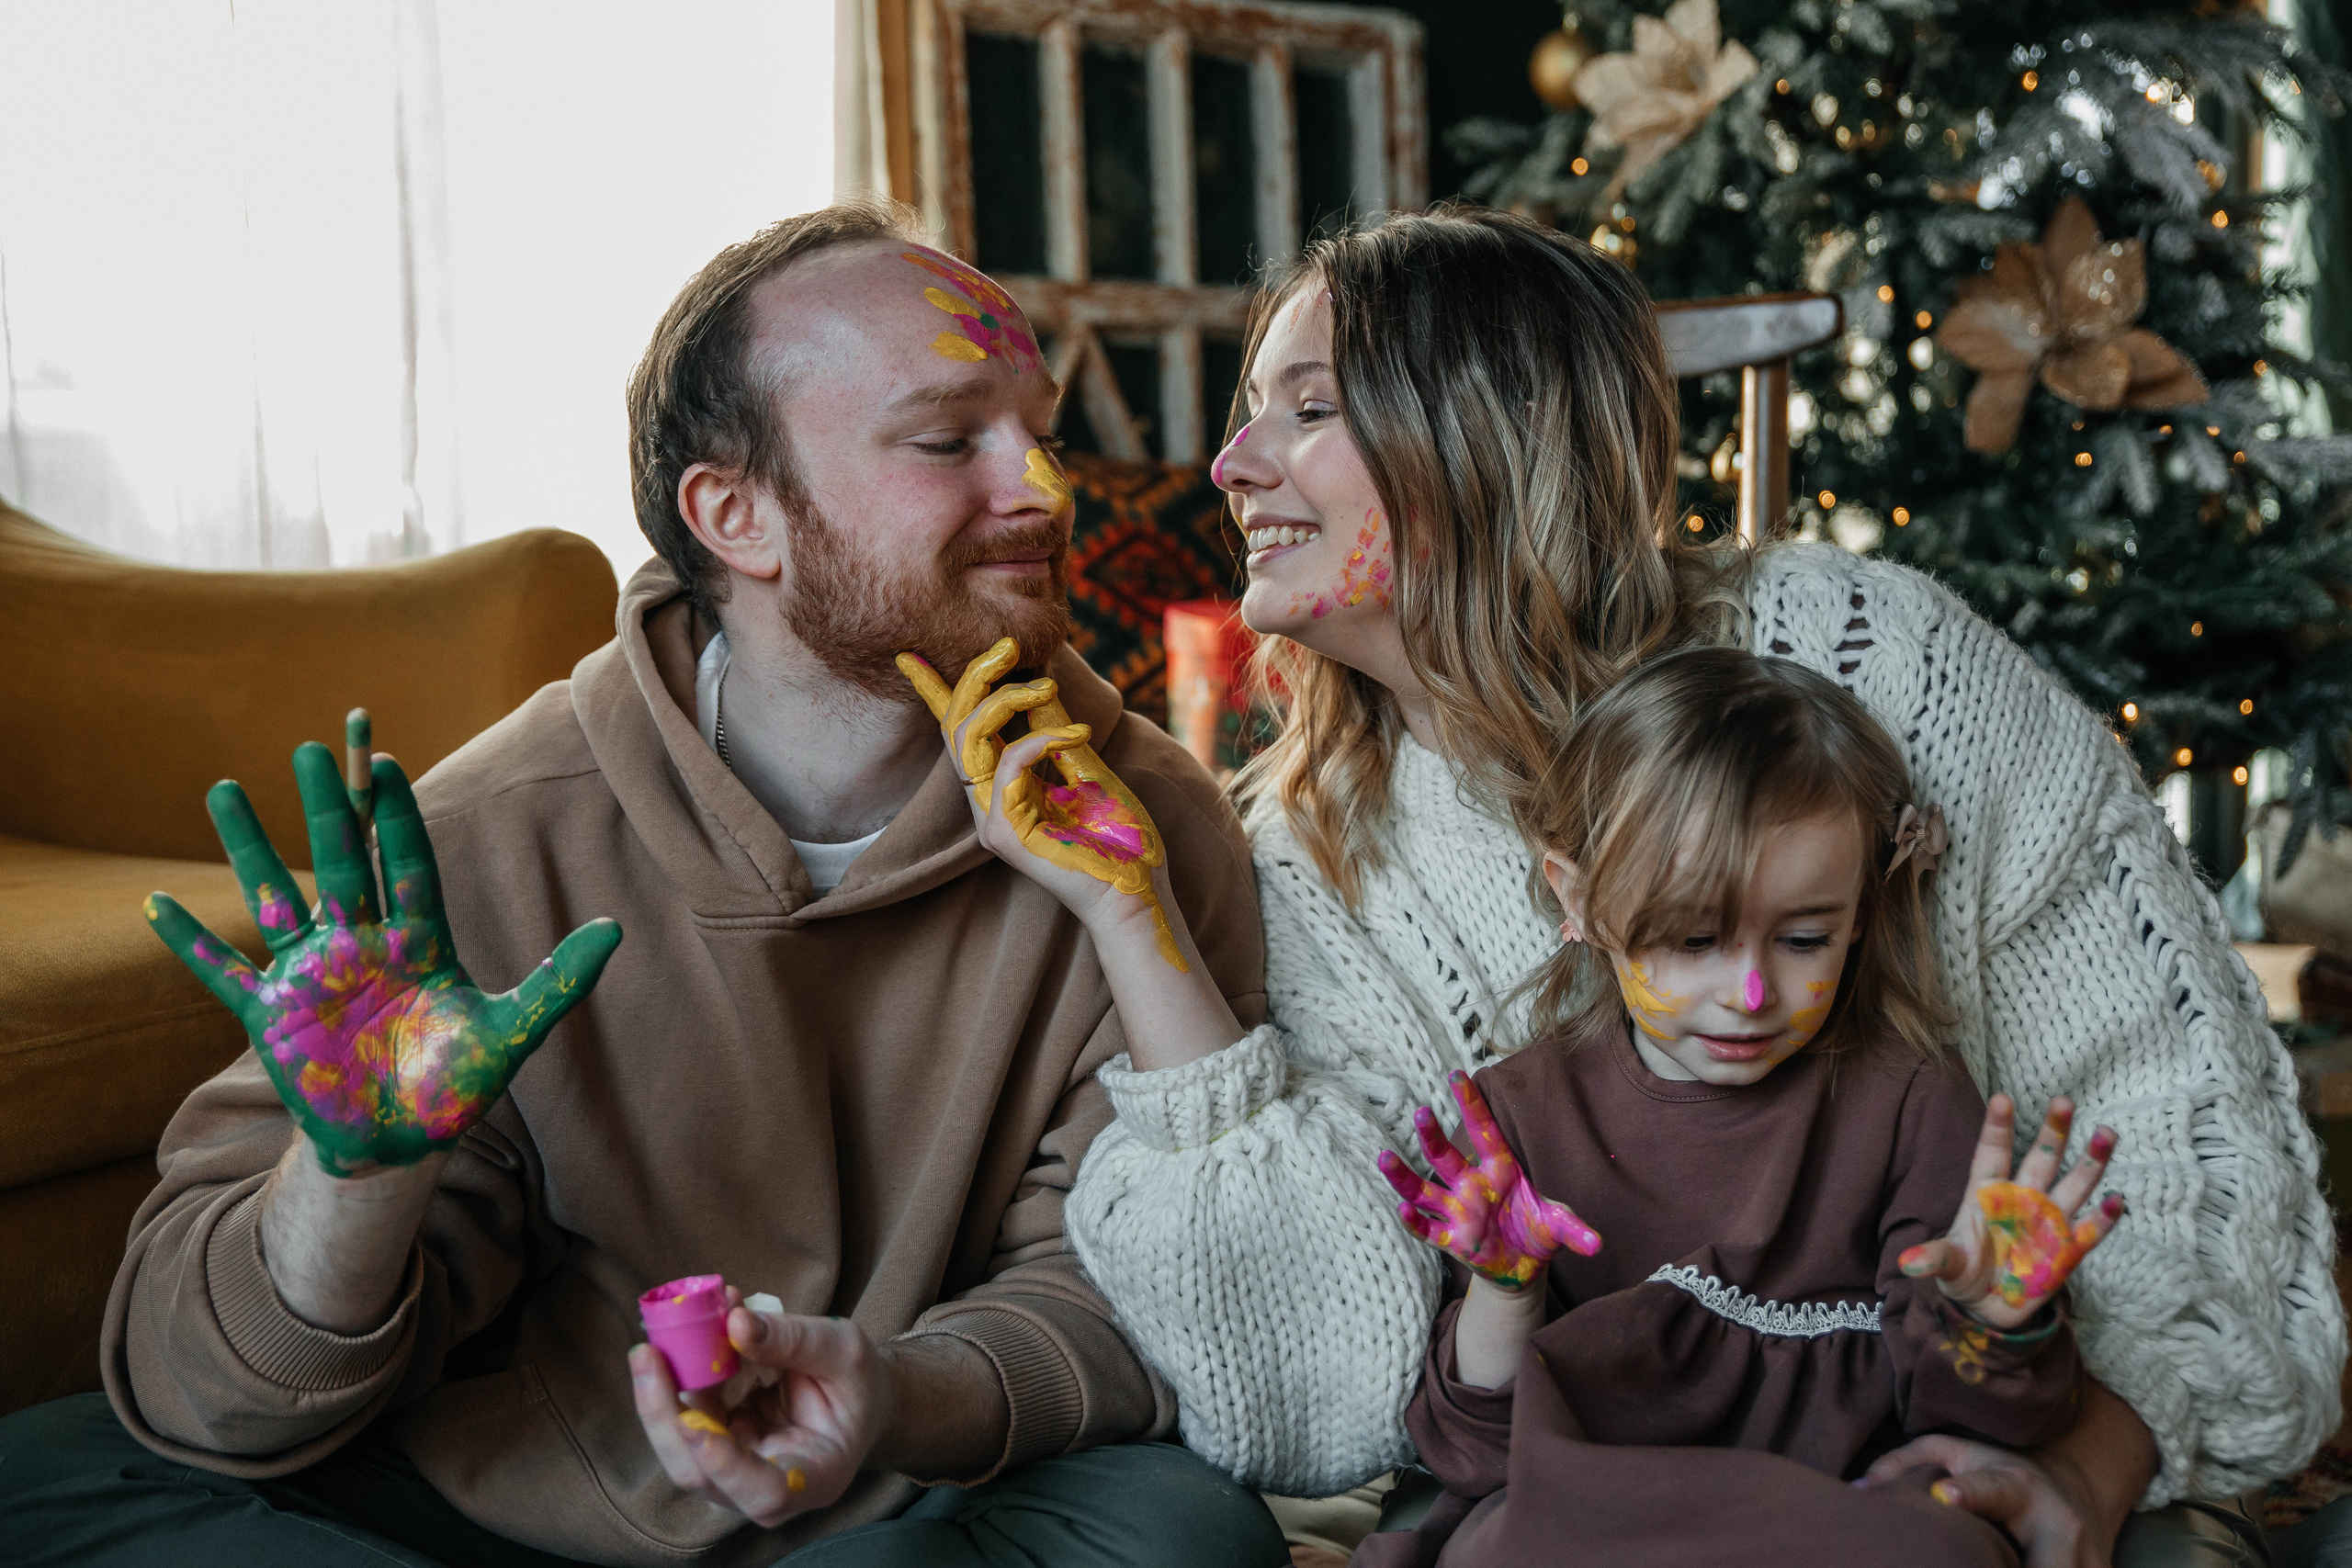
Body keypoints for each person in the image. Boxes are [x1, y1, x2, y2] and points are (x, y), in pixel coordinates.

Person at [944, 206, 2339, 1565]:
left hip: (1969, 1461)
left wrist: (2093, 1471)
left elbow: (2168, 1120)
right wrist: (1137, 920)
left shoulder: (1865, 663)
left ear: (1486, 439)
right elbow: (1328, 1394)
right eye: (1254, 410)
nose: (1231, 462)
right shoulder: (1319, 851)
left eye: (1307, 407)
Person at [0, 199, 1288, 1568]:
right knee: (42, 1480)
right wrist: (352, 1179)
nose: (1039, 486)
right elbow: (212, 1390)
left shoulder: (1140, 825)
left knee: (1181, 1532)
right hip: (509, 1508)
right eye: (946, 438)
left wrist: (885, 1392)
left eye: (1038, 429)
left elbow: (1132, 1292)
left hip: (906, 1494)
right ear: (735, 514)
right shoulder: (480, 833)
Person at [1357, 645, 2123, 1567]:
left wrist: (1992, 1317)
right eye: (1693, 937)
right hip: (1593, 1521)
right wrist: (1503, 1290)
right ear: (1581, 899)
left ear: (1859, 913)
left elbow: (1971, 1425)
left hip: (1842, 1518)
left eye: (1805, 938)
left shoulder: (1907, 1097)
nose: (1752, 991)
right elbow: (1474, 1455)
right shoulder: (1516, 1118)